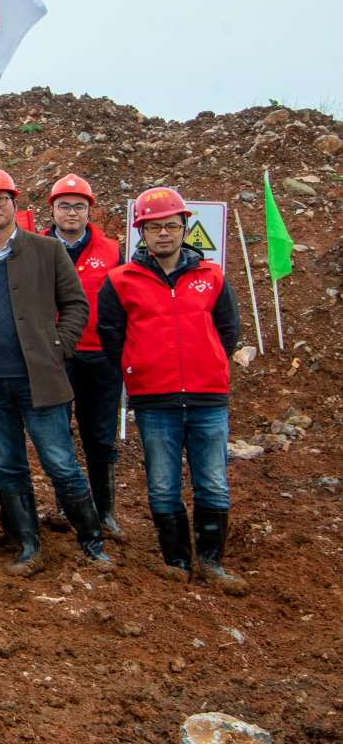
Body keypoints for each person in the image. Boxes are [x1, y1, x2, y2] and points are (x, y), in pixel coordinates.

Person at [0, 165, 105, 574]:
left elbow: (75, 305)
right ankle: (28, 545)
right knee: (9, 465)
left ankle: (92, 541)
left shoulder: (47, 250)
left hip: (39, 378)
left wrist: (60, 347)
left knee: (60, 462)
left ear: (14, 204)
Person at [96, 187, 246, 594]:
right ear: (140, 233)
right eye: (154, 227)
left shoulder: (211, 277)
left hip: (207, 397)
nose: (164, 234)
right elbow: (111, 336)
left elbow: (228, 330)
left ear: (184, 228)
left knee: (212, 481)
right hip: (154, 399)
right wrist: (136, 368)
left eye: (171, 226)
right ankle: (177, 561)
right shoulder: (120, 281)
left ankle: (211, 561)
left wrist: (209, 361)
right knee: (162, 483)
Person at [45, 173, 124, 537]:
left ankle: (105, 511)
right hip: (55, 356)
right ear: (53, 210)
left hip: (100, 356)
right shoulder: (38, 247)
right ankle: (67, 508)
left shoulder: (110, 250)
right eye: (64, 206)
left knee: (100, 435)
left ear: (90, 210)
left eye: (79, 206)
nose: (71, 213)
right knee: (58, 433)